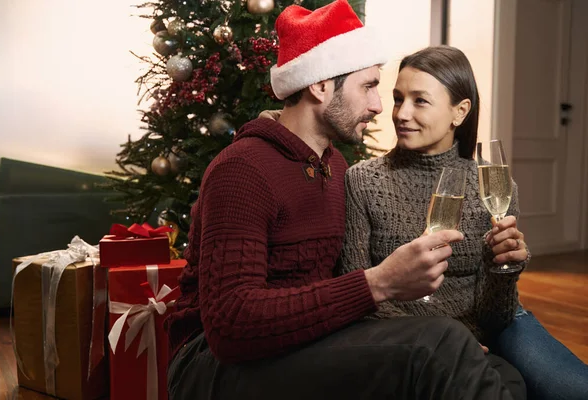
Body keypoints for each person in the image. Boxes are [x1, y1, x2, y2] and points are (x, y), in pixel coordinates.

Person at [165, 2, 524, 399]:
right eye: (368, 86)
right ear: (320, 85)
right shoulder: (243, 170)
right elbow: (230, 327)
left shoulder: (332, 165)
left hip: (307, 341)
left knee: (504, 376)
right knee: (439, 345)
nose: (379, 106)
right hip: (213, 365)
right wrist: (379, 282)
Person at [338, 44, 588, 400]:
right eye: (397, 98)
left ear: (460, 111)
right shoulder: (363, 180)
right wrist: (447, 339)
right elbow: (358, 291)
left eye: (419, 101)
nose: (401, 113)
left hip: (492, 325)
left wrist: (503, 269)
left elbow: (497, 315)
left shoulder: (494, 187)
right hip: (410, 332)